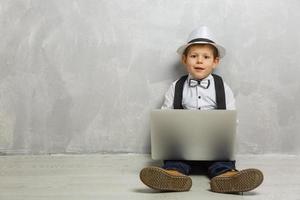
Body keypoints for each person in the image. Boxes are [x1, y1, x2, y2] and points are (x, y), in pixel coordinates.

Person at [139, 26, 264, 193]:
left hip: (215, 147)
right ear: (184, 59)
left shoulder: (222, 87)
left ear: (215, 61)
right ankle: (173, 176)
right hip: (182, 147)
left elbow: (233, 120)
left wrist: (223, 135)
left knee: (222, 162)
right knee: (175, 161)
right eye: (193, 56)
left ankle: (227, 178)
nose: (199, 61)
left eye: (206, 57)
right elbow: (165, 118)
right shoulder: (176, 87)